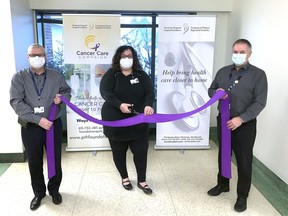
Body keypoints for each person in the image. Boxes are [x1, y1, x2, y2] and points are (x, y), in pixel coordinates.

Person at [207, 39, 268, 212]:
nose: (238, 55)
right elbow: (211, 90)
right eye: (235, 51)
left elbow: (260, 102)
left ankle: (242, 196)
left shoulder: (258, 75)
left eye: (242, 52)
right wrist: (215, 93)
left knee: (244, 160)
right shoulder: (223, 71)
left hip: (244, 124)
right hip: (224, 121)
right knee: (224, 155)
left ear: (249, 54)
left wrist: (241, 119)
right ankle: (222, 184)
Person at [9, 43, 71, 210]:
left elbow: (67, 91)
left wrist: (62, 98)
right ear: (28, 57)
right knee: (34, 161)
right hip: (31, 126)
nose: (37, 58)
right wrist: (38, 120)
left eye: (40, 54)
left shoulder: (56, 76)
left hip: (53, 124)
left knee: (54, 159)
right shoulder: (19, 77)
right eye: (33, 55)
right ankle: (39, 193)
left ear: (45, 56)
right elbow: (16, 102)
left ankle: (54, 190)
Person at [100, 45, 155, 195]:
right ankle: (124, 177)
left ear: (134, 58)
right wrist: (119, 105)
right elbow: (105, 92)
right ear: (118, 58)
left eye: (129, 56)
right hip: (115, 121)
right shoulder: (111, 74)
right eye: (123, 56)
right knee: (118, 151)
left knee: (141, 151)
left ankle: (142, 181)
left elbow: (150, 93)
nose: (126, 59)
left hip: (138, 121)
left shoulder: (141, 75)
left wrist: (148, 106)